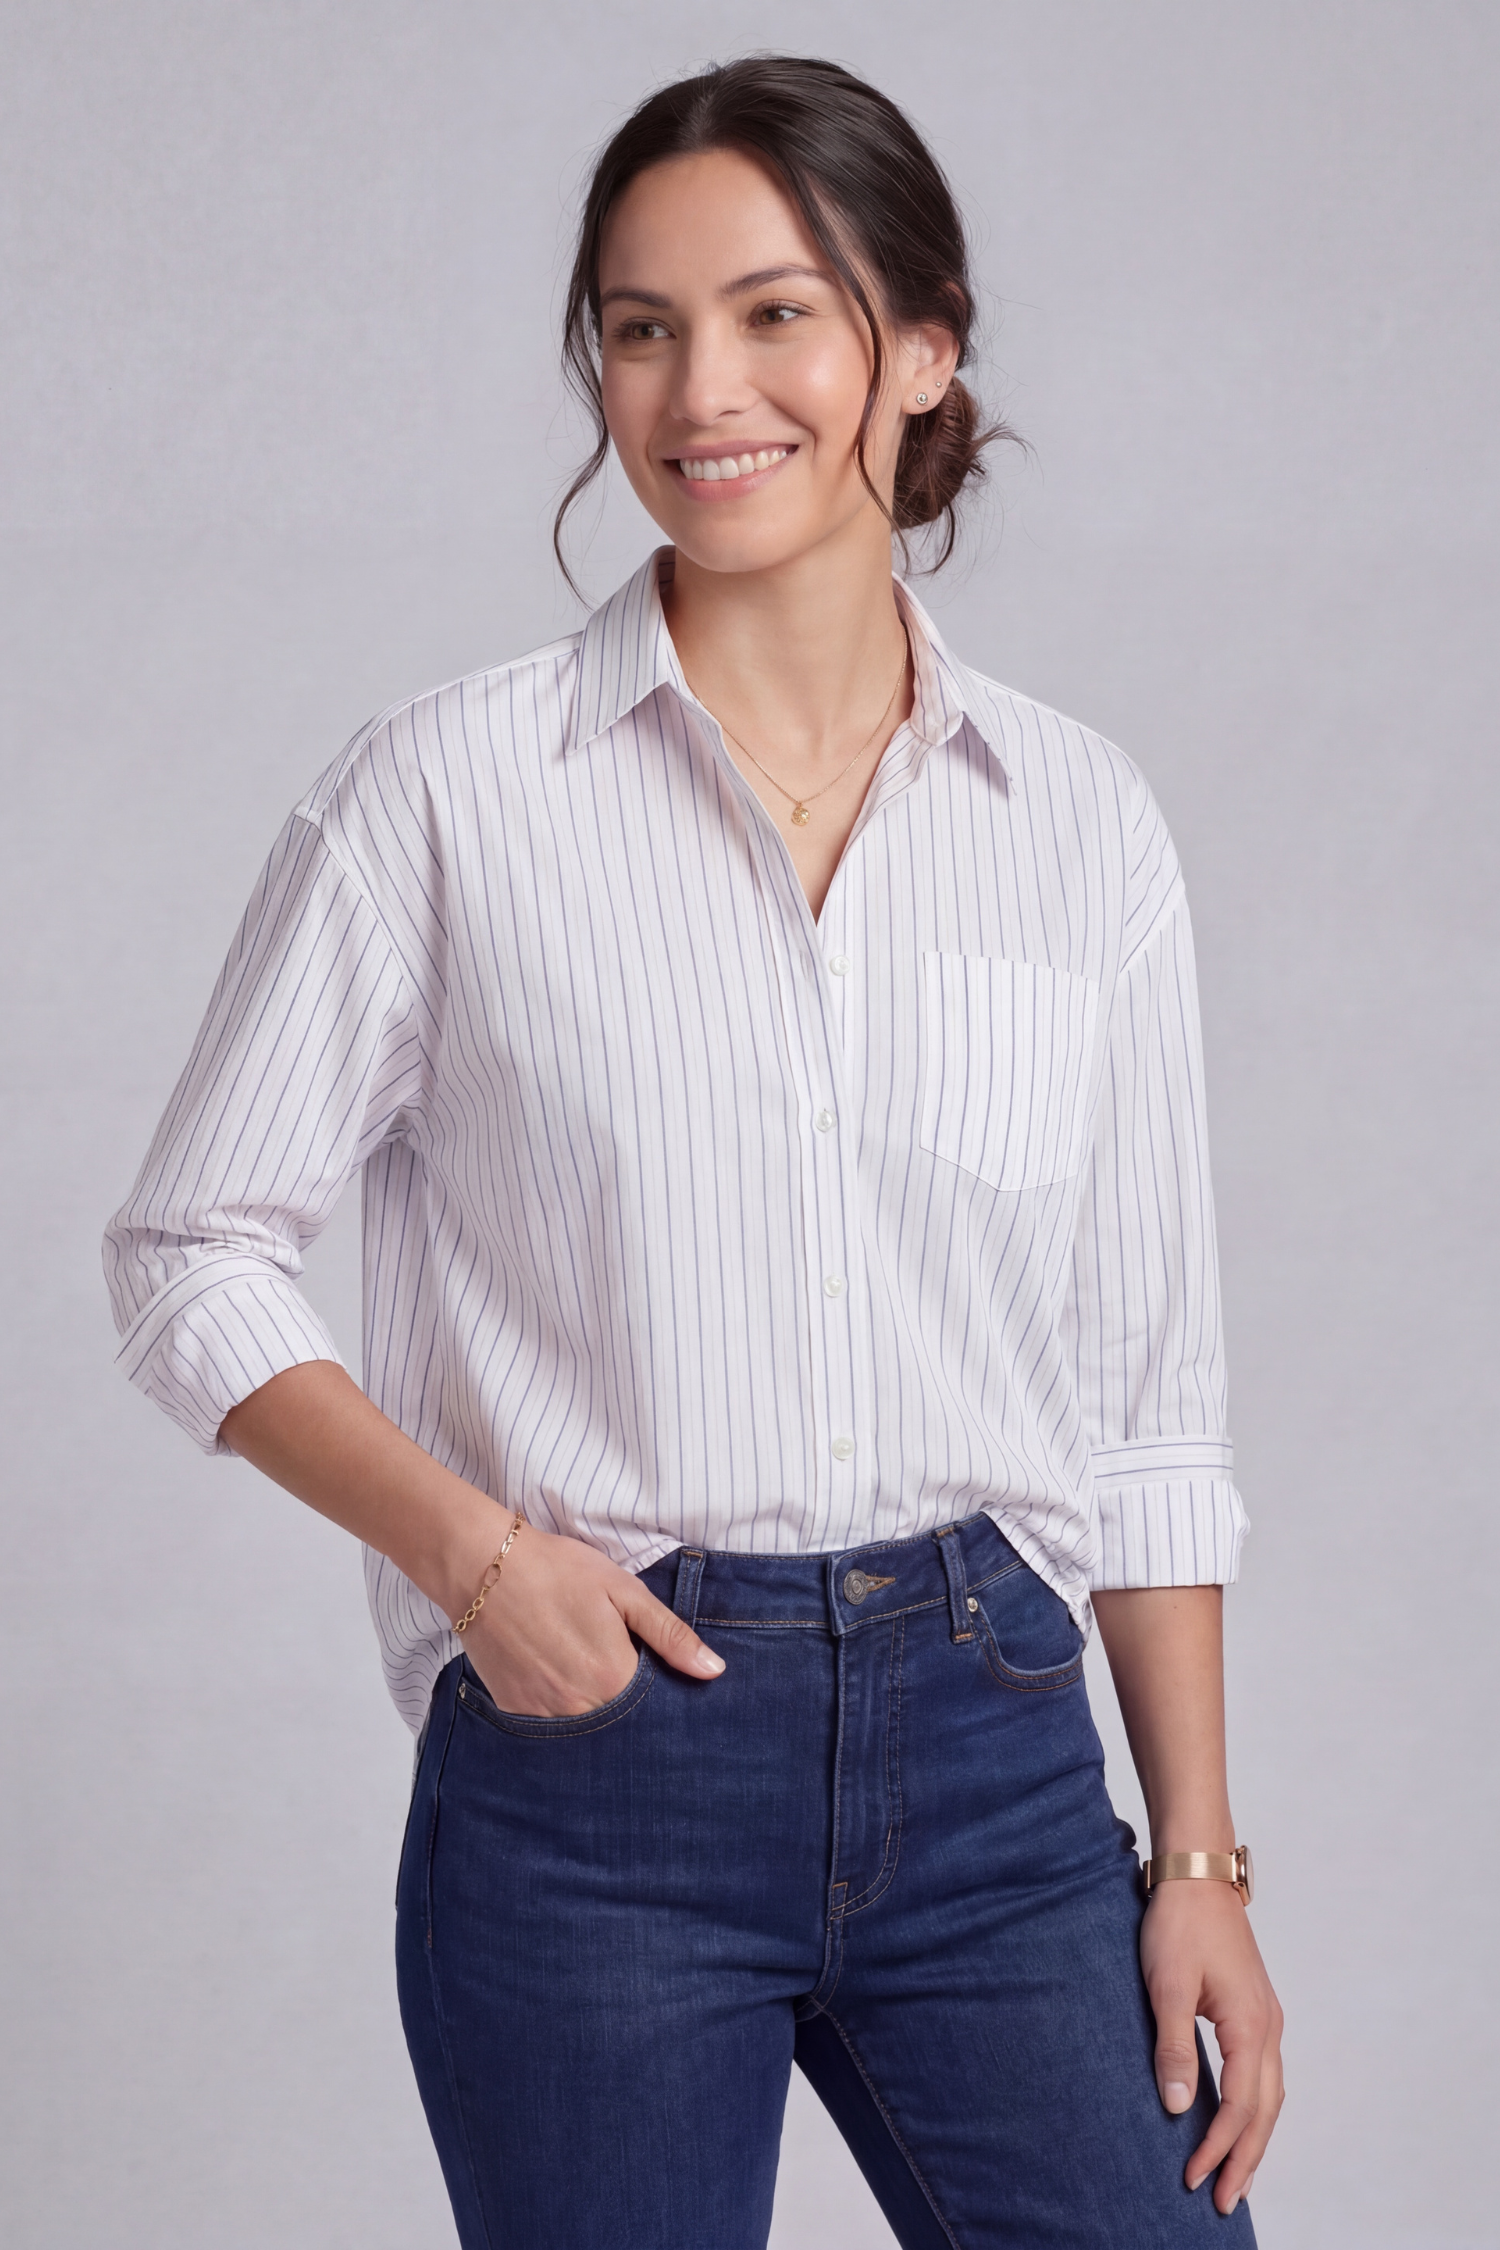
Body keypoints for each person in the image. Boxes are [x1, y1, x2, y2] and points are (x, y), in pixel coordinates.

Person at [104, 54, 1284, 2250]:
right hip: (597, 1775)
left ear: (920, 351)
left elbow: (1150, 1402)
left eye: (775, 315)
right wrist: (477, 1564)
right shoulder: (443, 802)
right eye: (639, 327)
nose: (697, 389)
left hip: (999, 1748)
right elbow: (188, 1252)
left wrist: (1195, 1857)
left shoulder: (1083, 825)